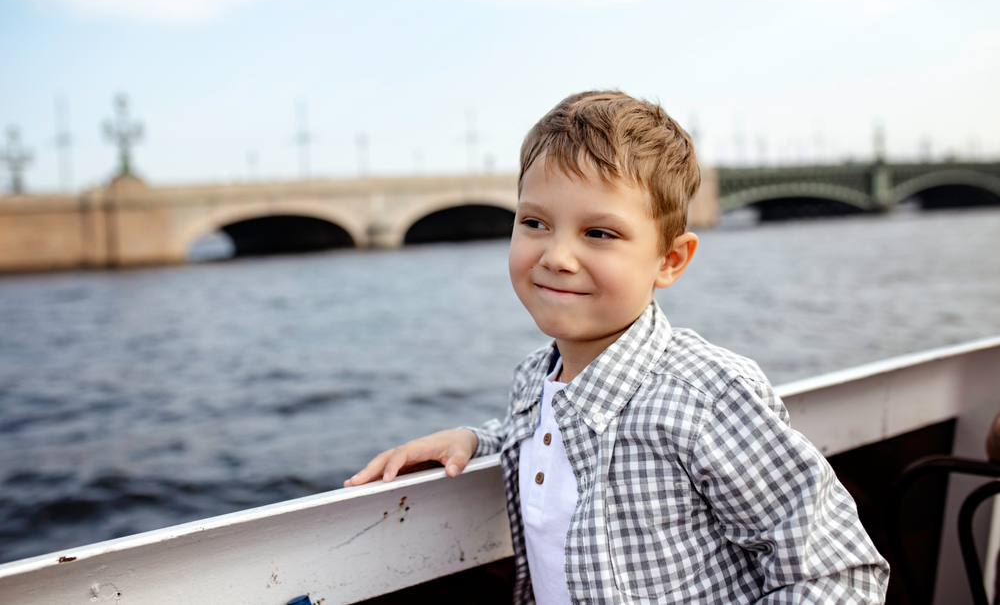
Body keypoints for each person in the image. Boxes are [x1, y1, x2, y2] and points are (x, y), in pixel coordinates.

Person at [345, 91, 889, 604]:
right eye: (534, 222)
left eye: (599, 233)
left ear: (670, 260)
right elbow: (549, 434)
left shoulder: (708, 398)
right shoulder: (535, 380)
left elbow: (836, 571)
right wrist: (473, 439)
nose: (556, 256)